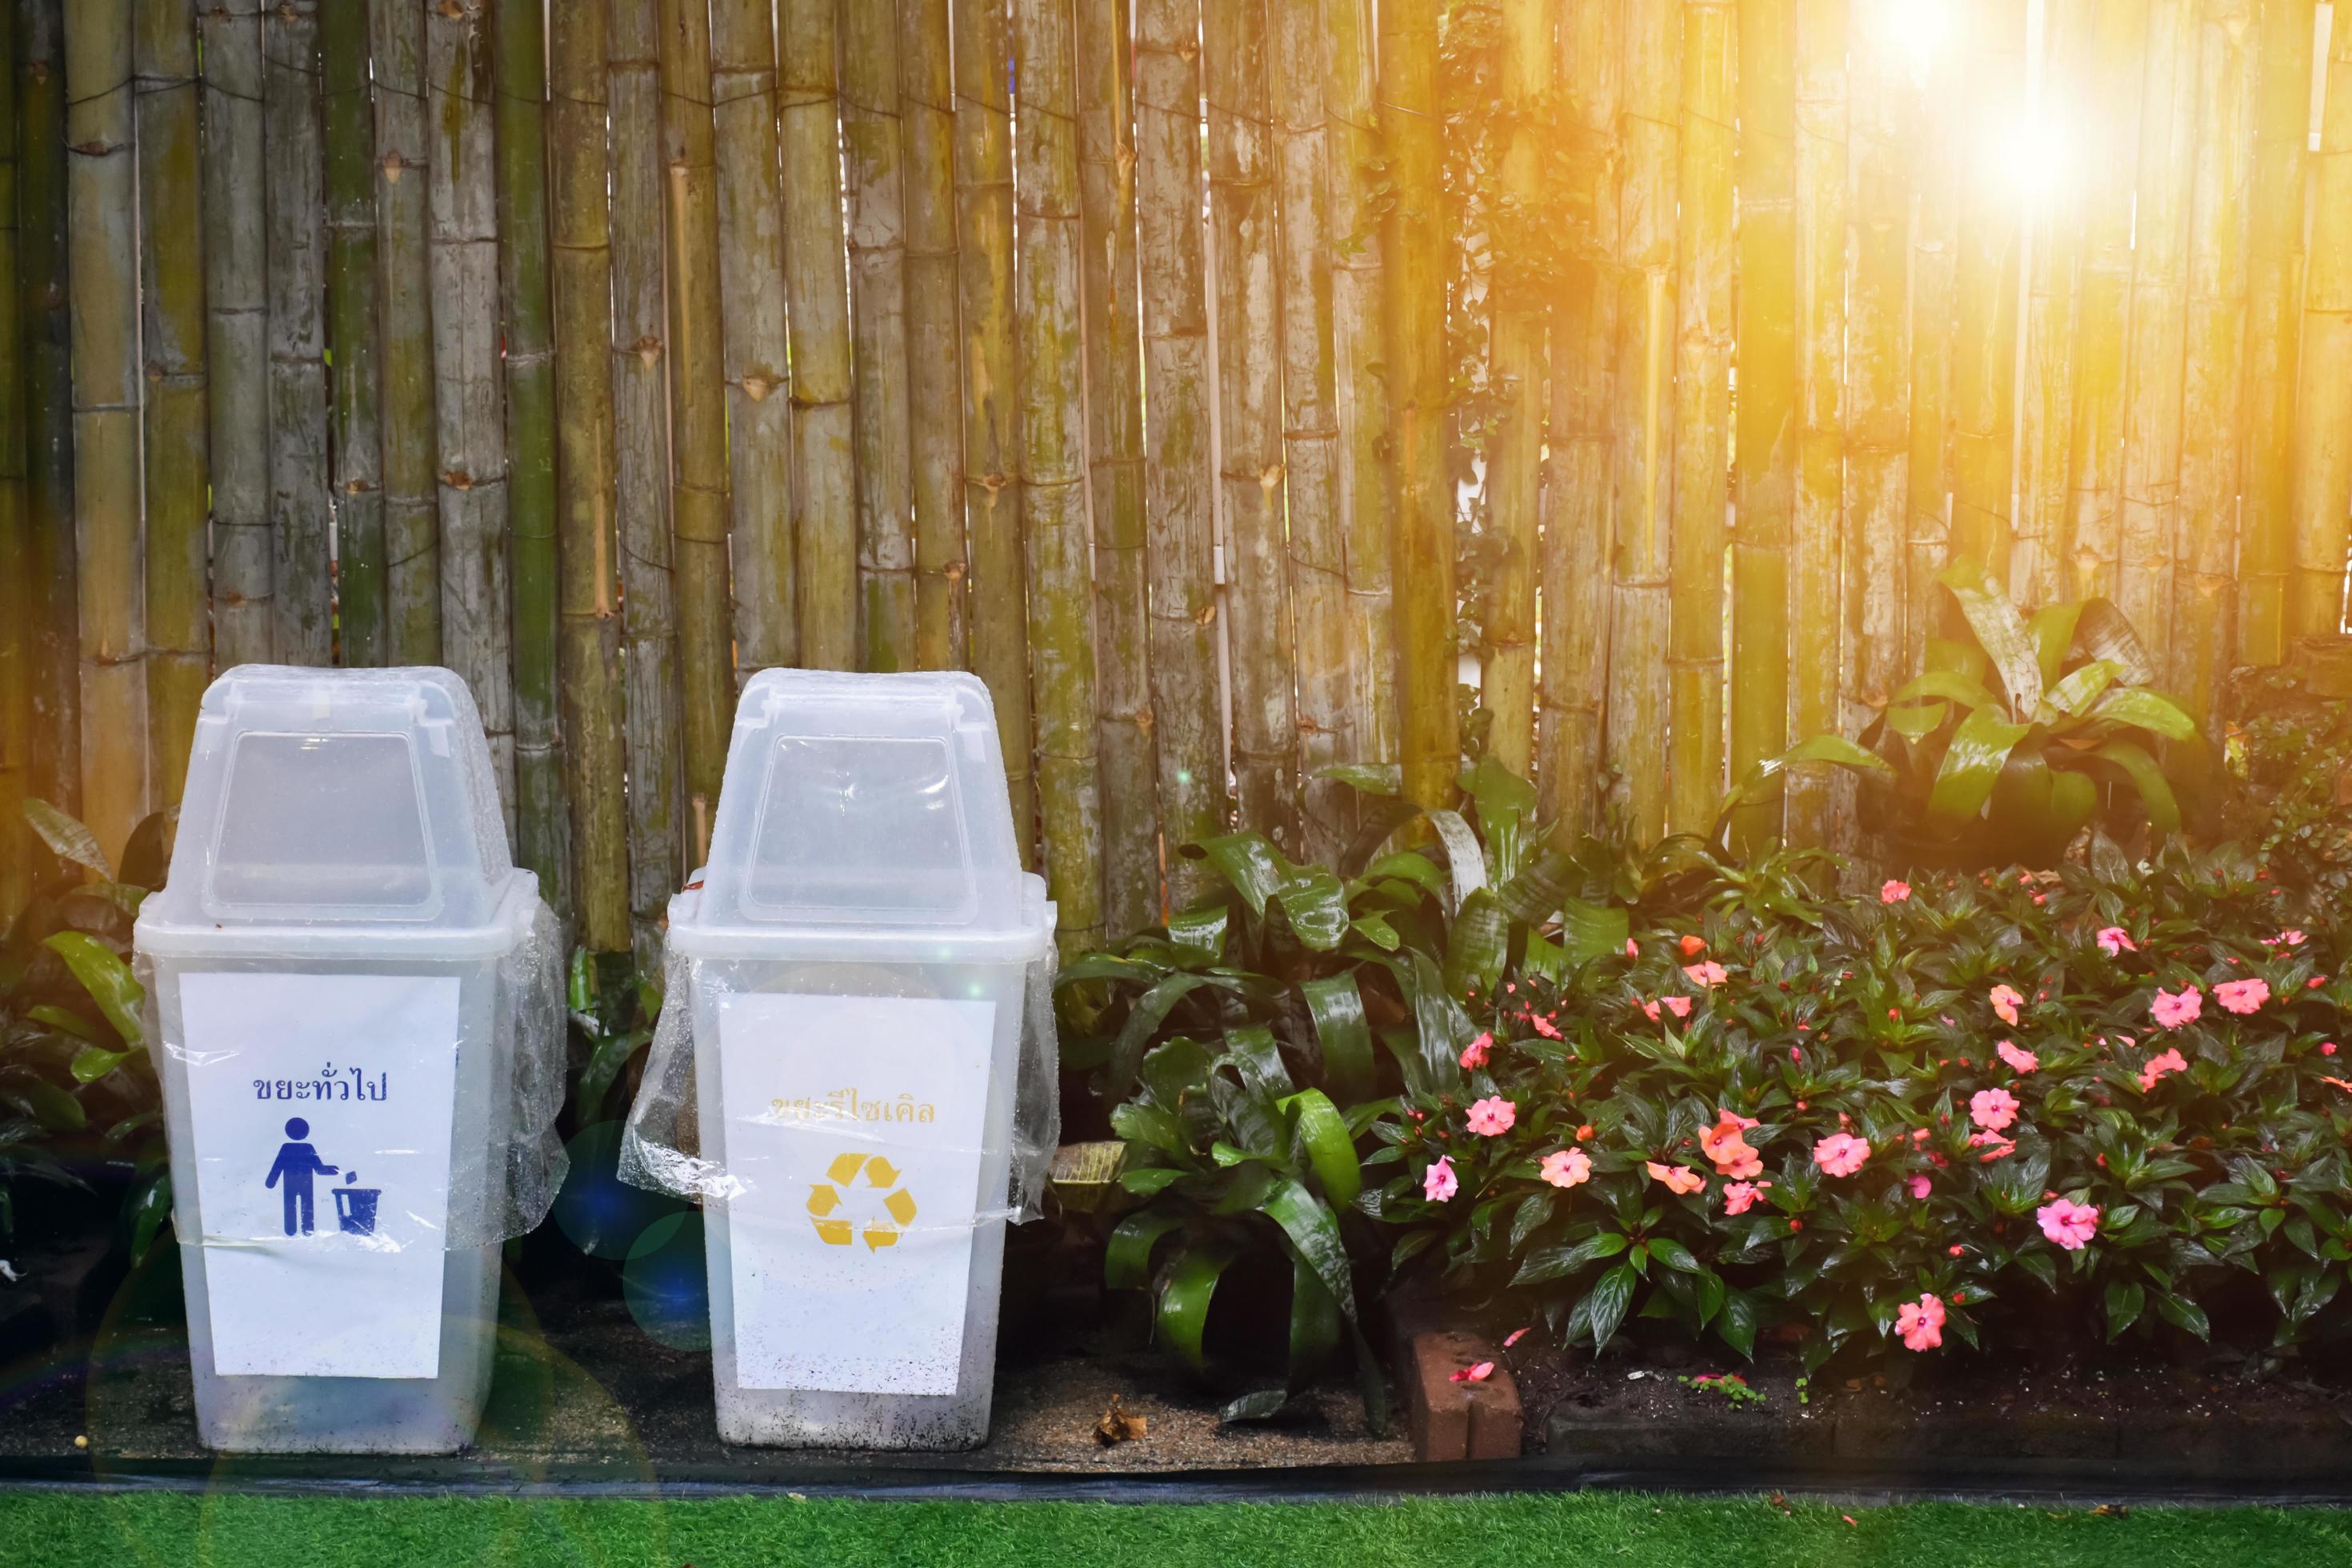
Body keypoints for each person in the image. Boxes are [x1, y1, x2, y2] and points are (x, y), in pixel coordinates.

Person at [265, 1117, 338, 1236]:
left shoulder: (287, 1148)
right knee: (306, 1206)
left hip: (291, 1183)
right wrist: (333, 1170)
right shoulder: (307, 1148)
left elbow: (278, 1166)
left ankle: (292, 1230)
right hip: (305, 1184)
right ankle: (306, 1229)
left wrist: (271, 1181)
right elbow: (319, 1169)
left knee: (291, 1206)